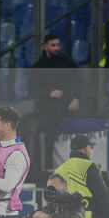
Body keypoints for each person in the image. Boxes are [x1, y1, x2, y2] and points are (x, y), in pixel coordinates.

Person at [31, 33, 80, 170]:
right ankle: (48, 165)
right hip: (47, 106)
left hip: (67, 104)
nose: (56, 48)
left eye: (58, 44)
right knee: (51, 123)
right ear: (45, 46)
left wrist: (76, 98)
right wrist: (49, 94)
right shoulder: (38, 66)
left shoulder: (67, 62)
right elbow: (32, 90)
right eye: (53, 45)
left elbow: (77, 82)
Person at [54, 135, 109, 218]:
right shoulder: (89, 166)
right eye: (90, 147)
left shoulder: (59, 170)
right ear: (86, 149)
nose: (91, 150)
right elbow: (102, 195)